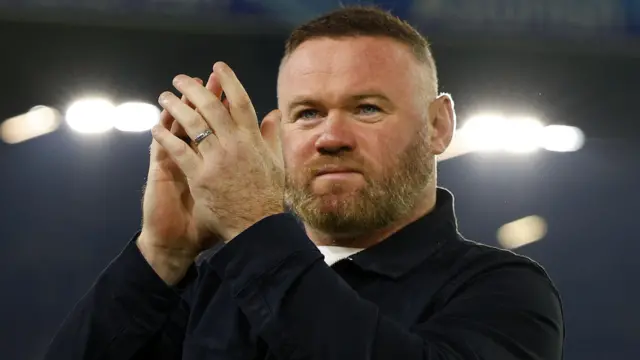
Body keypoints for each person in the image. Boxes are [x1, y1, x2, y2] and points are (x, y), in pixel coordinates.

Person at [44, 6, 564, 360]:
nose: (331, 137)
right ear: (276, 136)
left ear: (437, 125)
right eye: (308, 113)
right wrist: (159, 255)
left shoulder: (506, 292)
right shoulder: (215, 291)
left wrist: (253, 221)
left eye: (366, 108)